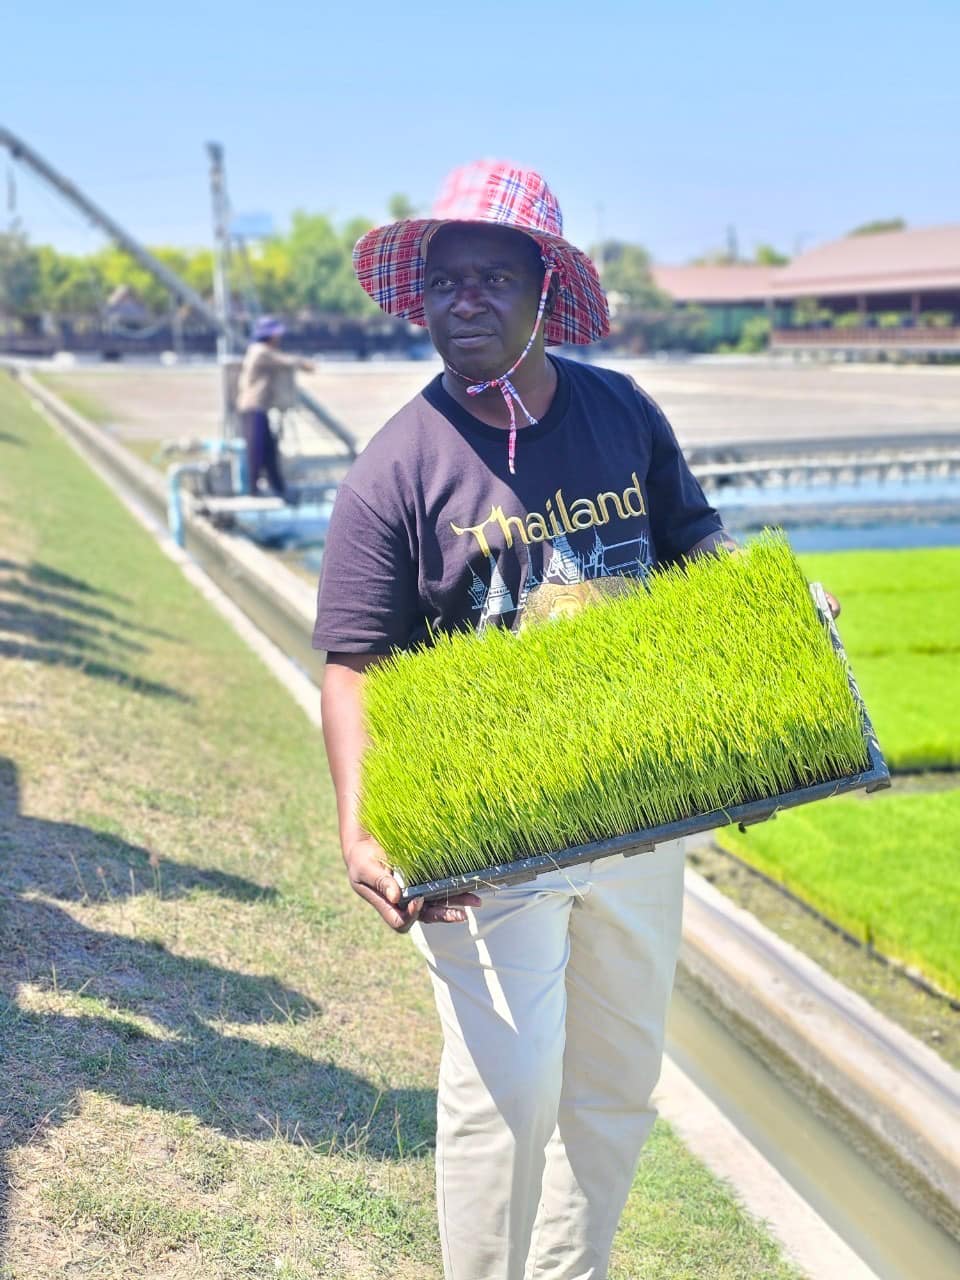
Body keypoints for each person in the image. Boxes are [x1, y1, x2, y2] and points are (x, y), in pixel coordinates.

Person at [314, 161, 737, 1280]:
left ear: (543, 287)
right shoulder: (395, 471)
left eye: (491, 277)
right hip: (485, 839)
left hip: (639, 808)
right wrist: (363, 827)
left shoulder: (620, 412)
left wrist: (776, 610)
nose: (464, 301)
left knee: (613, 1088)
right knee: (504, 1096)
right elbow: (352, 666)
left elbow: (697, 541)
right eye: (444, 282)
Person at [235, 316, 315, 497]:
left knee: (269, 450)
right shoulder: (260, 351)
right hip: (252, 406)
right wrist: (304, 364)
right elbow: (286, 361)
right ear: (270, 336)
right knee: (256, 450)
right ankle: (253, 492)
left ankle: (278, 488)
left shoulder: (261, 351)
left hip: (259, 407)